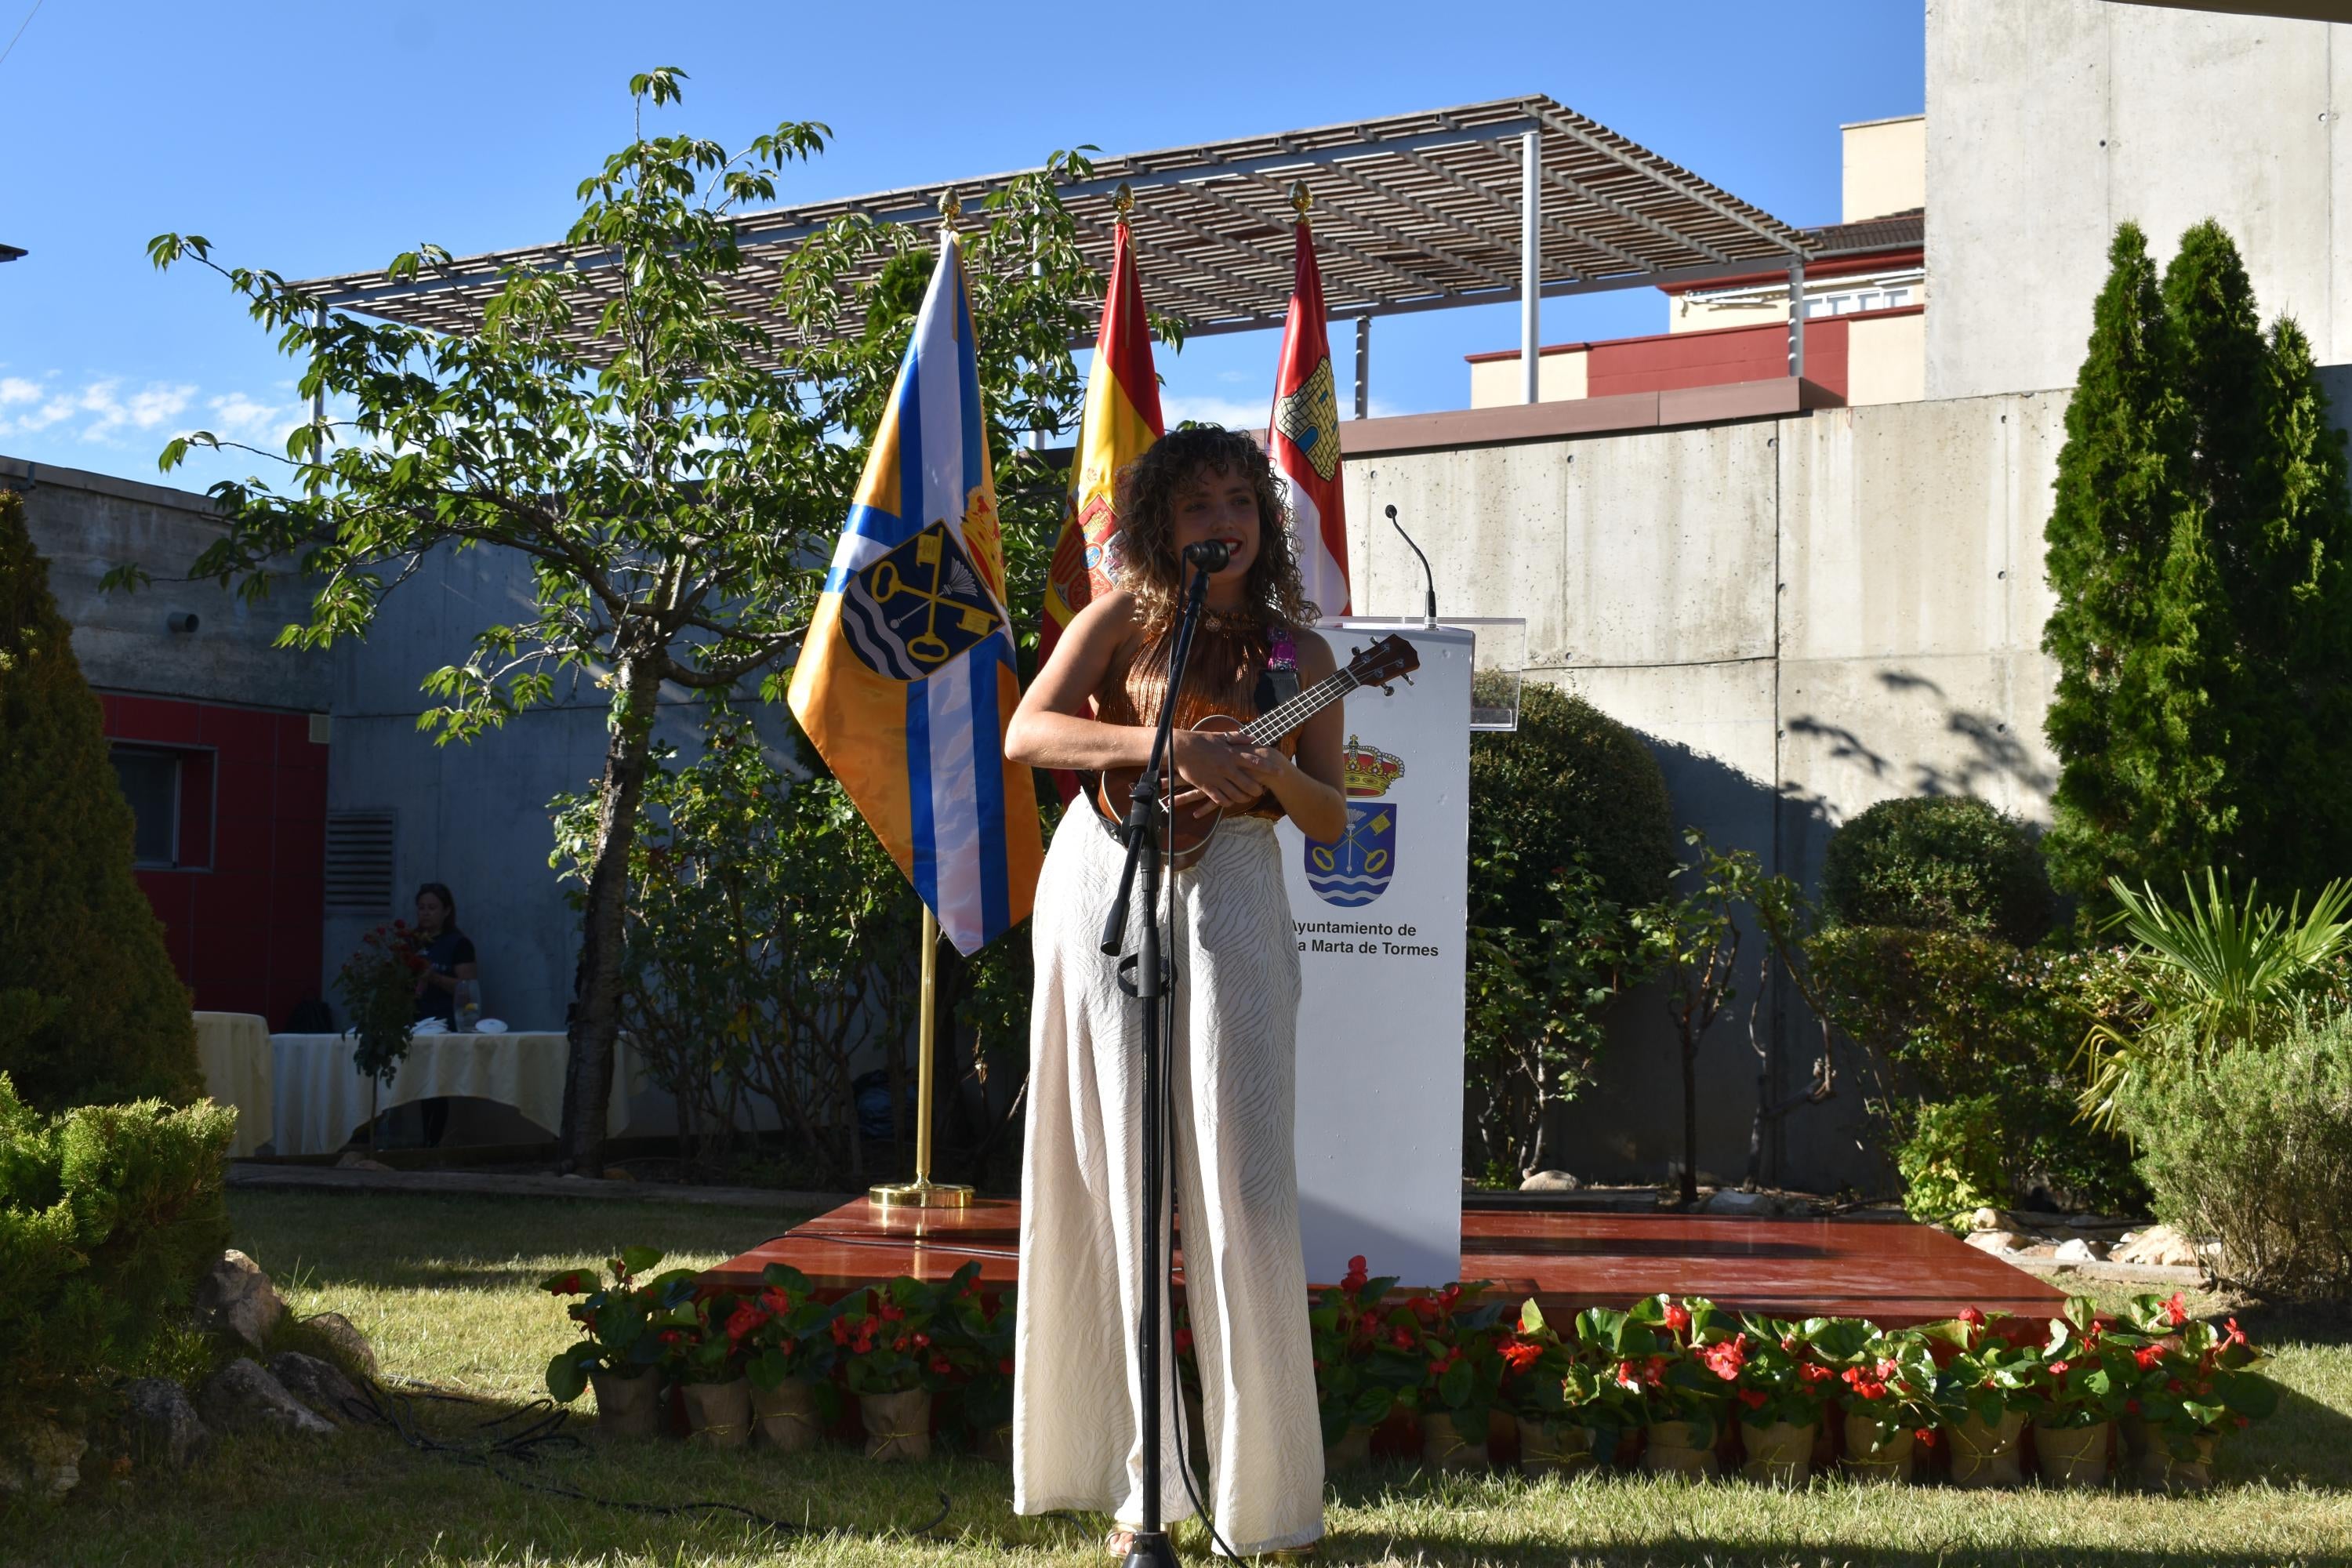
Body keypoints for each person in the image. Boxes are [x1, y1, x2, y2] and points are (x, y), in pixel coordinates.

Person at [1004, 426, 1348, 1561]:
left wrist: (1265, 768)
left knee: (1243, 1190)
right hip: (1107, 876)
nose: (1223, 521)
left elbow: (1333, 817)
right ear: (1162, 522)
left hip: (1237, 888)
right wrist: (1161, 749)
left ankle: (1265, 1492)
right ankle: (1140, 1486)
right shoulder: (1119, 619)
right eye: (1199, 504)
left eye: (1241, 501)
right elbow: (1027, 731)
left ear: (1265, 520)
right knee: (1118, 1184)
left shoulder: (1302, 654)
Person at [410, 882, 477, 1148]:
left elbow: (468, 988)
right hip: (412, 1021)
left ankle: (431, 1143)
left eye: (432, 908)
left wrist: (434, 977)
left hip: (443, 1023)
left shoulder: (458, 944)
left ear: (447, 911)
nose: (426, 913)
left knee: (434, 1086)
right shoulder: (410, 941)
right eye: (421, 908)